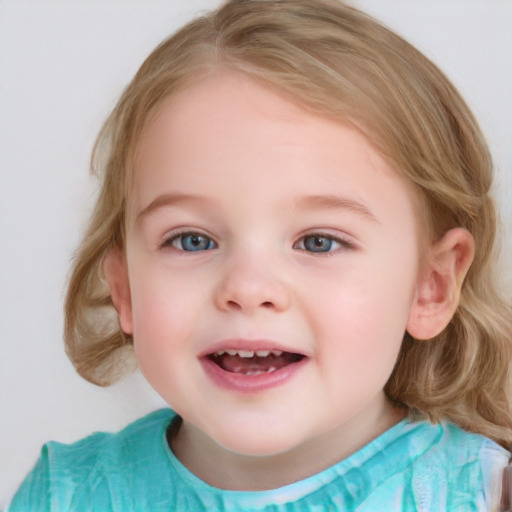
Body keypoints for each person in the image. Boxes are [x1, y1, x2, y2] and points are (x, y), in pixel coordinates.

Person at [8, 0, 512, 510]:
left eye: (319, 241)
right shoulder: (64, 497)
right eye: (191, 240)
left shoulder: (489, 495)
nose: (247, 288)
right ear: (125, 289)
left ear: (432, 285)